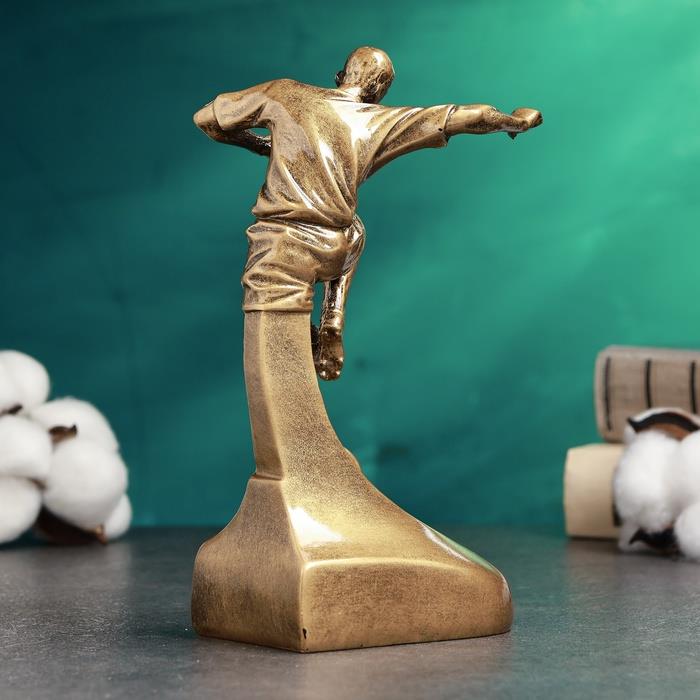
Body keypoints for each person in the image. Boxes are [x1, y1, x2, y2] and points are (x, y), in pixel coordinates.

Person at [194, 46, 542, 380]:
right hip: (332, 249)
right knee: (355, 231)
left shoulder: (284, 93)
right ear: (378, 92)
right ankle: (333, 315)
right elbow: (471, 116)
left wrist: (261, 146)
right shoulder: (380, 120)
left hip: (278, 244)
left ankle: (321, 317)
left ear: (339, 76)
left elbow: (207, 120)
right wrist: (514, 123)